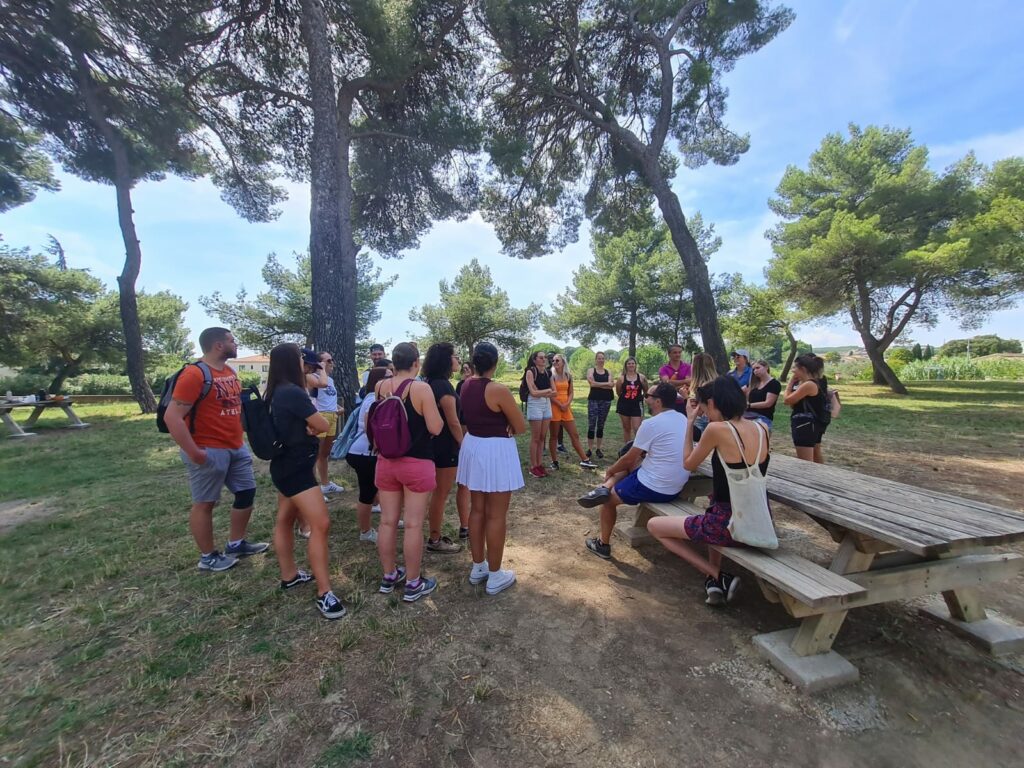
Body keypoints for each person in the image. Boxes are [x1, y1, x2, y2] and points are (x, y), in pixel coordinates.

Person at [647, 376, 771, 606]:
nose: (703, 413)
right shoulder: (762, 427)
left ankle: (718, 575)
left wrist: (689, 422)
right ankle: (713, 580)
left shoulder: (716, 429)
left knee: (655, 526)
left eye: (703, 407)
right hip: (758, 519)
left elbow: (687, 463)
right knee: (712, 503)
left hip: (728, 525)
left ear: (713, 402)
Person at [165, 327, 268, 572]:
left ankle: (236, 543)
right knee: (205, 503)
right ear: (218, 345)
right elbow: (173, 417)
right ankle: (208, 556)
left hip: (235, 447)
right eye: (232, 340)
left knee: (246, 493)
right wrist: (195, 452)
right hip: (208, 448)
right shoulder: (194, 374)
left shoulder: (230, 372)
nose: (236, 344)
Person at [265, 343, 346, 619]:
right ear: (292, 362)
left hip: (284, 465)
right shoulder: (293, 392)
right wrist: (314, 425)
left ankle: (289, 575)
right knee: (321, 524)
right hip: (297, 469)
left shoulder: (277, 390)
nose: (307, 363)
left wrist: (310, 425)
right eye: (301, 358)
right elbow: (323, 425)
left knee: (285, 520)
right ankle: (325, 593)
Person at [577, 383, 689, 560]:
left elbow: (629, 458)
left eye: (648, 396)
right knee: (633, 464)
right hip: (676, 485)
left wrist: (610, 470)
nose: (646, 400)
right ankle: (605, 487)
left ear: (658, 401)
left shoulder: (651, 423)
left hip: (655, 486)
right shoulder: (683, 419)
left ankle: (602, 544)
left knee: (607, 500)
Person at [374, 342, 444, 602]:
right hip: (417, 462)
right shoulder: (421, 388)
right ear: (416, 363)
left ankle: (389, 575)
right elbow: (435, 427)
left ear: (393, 362)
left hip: (386, 461)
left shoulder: (381, 386)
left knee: (387, 521)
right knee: (413, 524)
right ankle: (414, 582)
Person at [457, 342, 527, 595]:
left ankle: (478, 566)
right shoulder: (497, 389)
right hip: (495, 450)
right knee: (496, 514)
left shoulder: (465, 385)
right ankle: (496, 574)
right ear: (495, 363)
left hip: (474, 445)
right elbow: (520, 426)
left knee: (477, 509)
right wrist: (508, 421)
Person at [422, 342, 465, 554]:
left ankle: (434, 535)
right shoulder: (444, 386)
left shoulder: (430, 383)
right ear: (446, 361)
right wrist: (464, 445)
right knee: (441, 493)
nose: (458, 359)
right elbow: (453, 421)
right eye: (455, 356)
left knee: (437, 493)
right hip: (445, 447)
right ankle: (435, 539)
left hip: (433, 445)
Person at [346, 366, 393, 545]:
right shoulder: (373, 398)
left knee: (375, 489)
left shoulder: (372, 397)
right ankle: (365, 531)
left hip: (362, 451)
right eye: (388, 376)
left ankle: (388, 519)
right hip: (364, 453)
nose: (391, 379)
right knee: (367, 493)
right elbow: (369, 426)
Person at [548, 354, 597, 469]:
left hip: (566, 408)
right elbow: (550, 394)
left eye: (557, 360)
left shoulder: (568, 376)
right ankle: (554, 462)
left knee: (574, 435)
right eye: (553, 360)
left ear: (563, 362)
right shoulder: (551, 376)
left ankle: (584, 460)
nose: (554, 362)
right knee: (554, 436)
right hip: (555, 407)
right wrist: (560, 404)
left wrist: (567, 404)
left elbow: (571, 392)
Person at [784, 353, 829, 463]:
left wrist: (789, 384)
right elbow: (793, 403)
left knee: (805, 463)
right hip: (808, 425)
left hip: (805, 426)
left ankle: (813, 480)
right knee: (812, 457)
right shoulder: (808, 383)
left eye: (795, 367)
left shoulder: (808, 385)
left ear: (803, 369)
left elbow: (787, 400)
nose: (792, 371)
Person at [314, 350, 345, 495]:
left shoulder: (330, 380)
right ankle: (313, 489)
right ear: (319, 363)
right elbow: (313, 398)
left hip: (332, 416)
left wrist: (337, 408)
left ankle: (325, 484)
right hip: (320, 416)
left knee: (324, 454)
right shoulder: (313, 377)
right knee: (314, 454)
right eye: (328, 360)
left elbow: (328, 397)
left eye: (331, 360)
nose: (332, 363)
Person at [523, 350, 554, 478]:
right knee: (535, 437)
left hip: (546, 404)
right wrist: (547, 391)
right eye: (540, 358)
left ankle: (540, 464)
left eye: (545, 357)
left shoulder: (548, 372)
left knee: (542, 436)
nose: (543, 359)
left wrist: (542, 392)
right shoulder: (531, 372)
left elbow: (555, 391)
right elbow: (533, 393)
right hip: (535, 404)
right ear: (534, 360)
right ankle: (533, 466)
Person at [585, 351, 615, 459]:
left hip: (606, 400)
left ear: (604, 359)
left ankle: (598, 448)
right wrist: (606, 384)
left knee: (601, 425)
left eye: (603, 358)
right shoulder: (591, 370)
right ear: (596, 359)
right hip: (593, 400)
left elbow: (612, 385)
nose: (601, 360)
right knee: (592, 424)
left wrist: (598, 385)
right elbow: (592, 384)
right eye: (599, 358)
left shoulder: (608, 372)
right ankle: (589, 449)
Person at [615, 357, 647, 445]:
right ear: (626, 365)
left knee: (637, 428)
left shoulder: (641, 377)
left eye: (633, 363)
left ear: (635, 365)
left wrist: (640, 398)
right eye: (629, 364)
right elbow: (618, 392)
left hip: (637, 405)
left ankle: (638, 448)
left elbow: (646, 390)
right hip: (624, 405)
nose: (631, 365)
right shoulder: (621, 378)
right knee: (626, 428)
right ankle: (627, 447)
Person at [687, 353, 718, 441]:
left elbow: (700, 411)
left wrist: (686, 397)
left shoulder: (703, 387)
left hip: (703, 423)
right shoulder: (718, 382)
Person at [745, 360, 781, 431]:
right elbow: (739, 390)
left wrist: (749, 405)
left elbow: (768, 403)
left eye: (758, 368)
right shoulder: (753, 383)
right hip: (747, 415)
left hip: (763, 417)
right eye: (753, 369)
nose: (755, 371)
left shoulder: (774, 384)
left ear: (766, 367)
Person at [659, 343, 692, 411]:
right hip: (668, 402)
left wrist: (672, 384)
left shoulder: (688, 367)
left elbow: (689, 383)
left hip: (685, 401)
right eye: (675, 352)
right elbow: (666, 383)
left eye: (680, 352)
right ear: (669, 354)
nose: (678, 355)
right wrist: (684, 382)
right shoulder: (663, 369)